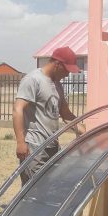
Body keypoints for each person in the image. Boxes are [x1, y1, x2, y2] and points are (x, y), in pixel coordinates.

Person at [13, 46, 80, 184]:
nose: (68, 75)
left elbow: (65, 112)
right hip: (34, 148)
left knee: (49, 187)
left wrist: (79, 127)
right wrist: (20, 142)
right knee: (33, 190)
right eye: (67, 70)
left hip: (52, 146)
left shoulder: (57, 85)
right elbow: (17, 110)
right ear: (57, 64)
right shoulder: (33, 80)